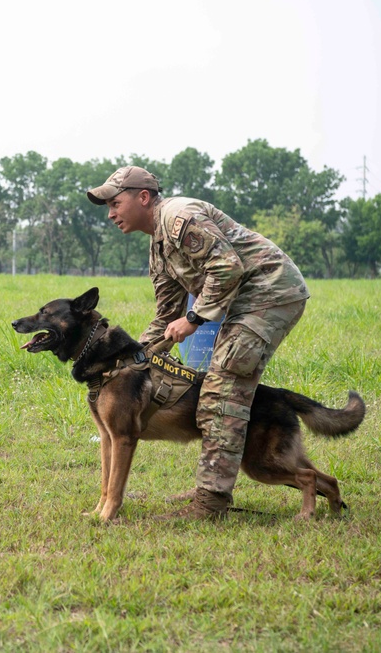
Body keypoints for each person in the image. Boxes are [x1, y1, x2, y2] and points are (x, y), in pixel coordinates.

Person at [86, 166, 309, 520]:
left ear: (143, 197)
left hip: (270, 292)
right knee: (214, 392)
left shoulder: (179, 217)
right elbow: (165, 315)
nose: (111, 214)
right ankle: (213, 484)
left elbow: (227, 268)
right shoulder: (158, 246)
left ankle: (210, 502)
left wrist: (193, 319)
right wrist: (129, 359)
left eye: (115, 203)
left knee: (222, 391)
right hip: (241, 302)